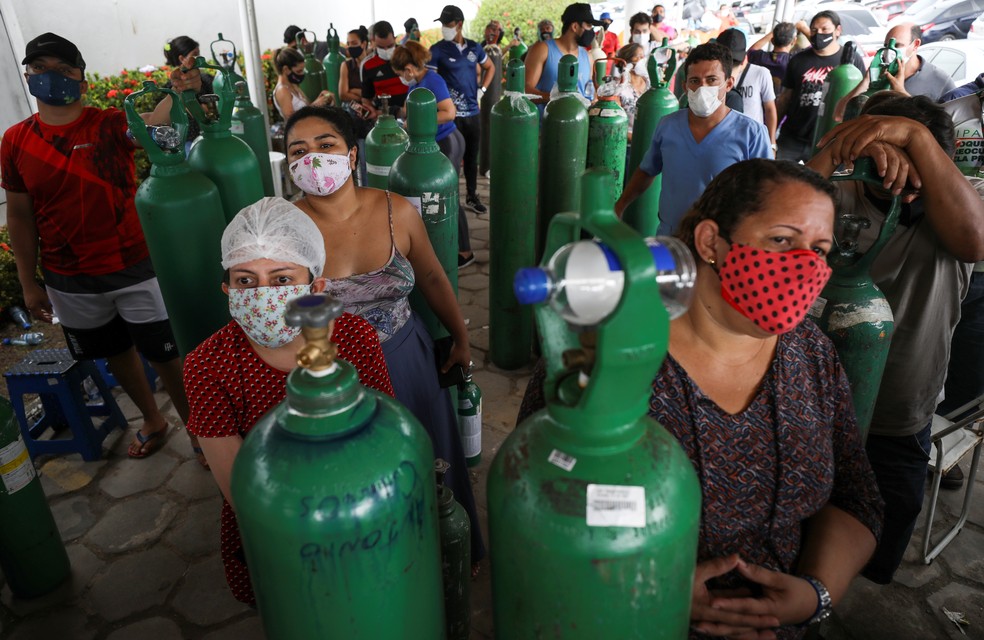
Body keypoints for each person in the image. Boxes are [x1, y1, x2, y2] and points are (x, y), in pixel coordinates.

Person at [519, 159, 884, 639]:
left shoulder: (810, 354)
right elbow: (536, 513)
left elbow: (856, 495)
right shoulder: (605, 361)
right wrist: (647, 589)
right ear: (711, 242)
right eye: (781, 240)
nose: (806, 267)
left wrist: (815, 595)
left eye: (818, 249)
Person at [282, 105, 486, 567]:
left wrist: (460, 337)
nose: (313, 159)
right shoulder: (285, 232)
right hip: (332, 377)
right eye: (299, 151)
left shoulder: (396, 211)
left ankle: (446, 557)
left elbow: (433, 277)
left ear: (351, 155)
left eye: (325, 145)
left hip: (405, 359)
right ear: (290, 166)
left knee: (427, 461)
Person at [185, 197, 395, 606]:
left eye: (282, 280)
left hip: (356, 507)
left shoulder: (354, 338)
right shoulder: (208, 364)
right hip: (270, 523)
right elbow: (238, 486)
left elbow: (380, 435)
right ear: (227, 289)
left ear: (315, 288)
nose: (262, 295)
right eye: (245, 281)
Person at [809, 94, 984, 584]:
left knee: (874, 546)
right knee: (803, 532)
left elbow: (975, 239)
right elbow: (767, 219)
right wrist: (841, 149)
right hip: (813, 399)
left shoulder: (954, 202)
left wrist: (916, 138)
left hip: (898, 413)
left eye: (923, 154)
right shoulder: (840, 192)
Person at [1, 33, 199, 464]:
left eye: (63, 69)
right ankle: (154, 420)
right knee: (115, 353)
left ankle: (200, 432)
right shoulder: (15, 141)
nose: (51, 77)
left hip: (134, 266)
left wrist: (176, 91)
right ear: (28, 76)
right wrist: (27, 283)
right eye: (40, 69)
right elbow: (19, 215)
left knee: (167, 354)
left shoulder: (109, 124)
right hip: (69, 278)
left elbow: (157, 125)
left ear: (81, 79)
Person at [615, 42, 771, 234]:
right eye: (695, 81)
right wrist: (620, 206)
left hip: (720, 243)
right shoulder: (668, 125)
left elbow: (765, 192)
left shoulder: (751, 133)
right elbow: (647, 171)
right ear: (685, 86)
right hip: (671, 237)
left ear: (728, 84)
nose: (702, 88)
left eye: (712, 80)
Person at [392, 41, 474, 268]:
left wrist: (418, 120)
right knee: (441, 197)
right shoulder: (418, 82)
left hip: (448, 142)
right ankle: (443, 243)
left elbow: (449, 112)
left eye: (400, 73)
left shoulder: (432, 81)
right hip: (438, 142)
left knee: (449, 197)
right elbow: (410, 109)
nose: (401, 77)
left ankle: (465, 251)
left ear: (409, 69)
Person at [431, 4, 495, 220]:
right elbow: (431, 80)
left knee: (471, 157)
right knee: (450, 158)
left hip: (473, 112)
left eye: (446, 24)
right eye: (441, 24)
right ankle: (450, 198)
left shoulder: (475, 48)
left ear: (458, 24)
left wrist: (482, 90)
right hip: (451, 116)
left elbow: (491, 68)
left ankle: (471, 195)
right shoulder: (437, 50)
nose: (443, 28)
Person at [775, 10, 865, 163]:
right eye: (814, 30)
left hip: (829, 140)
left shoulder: (852, 61)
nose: (819, 34)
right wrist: (770, 132)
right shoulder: (798, 59)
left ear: (838, 30)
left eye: (825, 29)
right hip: (793, 138)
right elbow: (785, 98)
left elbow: (861, 97)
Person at [834, 23, 956, 122]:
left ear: (915, 45)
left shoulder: (940, 81)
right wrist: (866, 82)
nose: (890, 52)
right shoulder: (879, 74)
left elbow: (943, 128)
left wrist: (901, 93)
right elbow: (839, 115)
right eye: (886, 46)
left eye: (897, 45)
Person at [525, 3, 601, 110]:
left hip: (578, 124)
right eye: (588, 25)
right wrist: (556, 97)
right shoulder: (543, 49)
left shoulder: (588, 57)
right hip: (546, 124)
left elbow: (590, 94)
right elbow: (525, 90)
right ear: (575, 27)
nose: (591, 31)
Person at [717, 28, 777, 148]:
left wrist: (771, 144)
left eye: (734, 62)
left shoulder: (761, 73)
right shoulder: (710, 77)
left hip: (752, 142)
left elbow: (770, 109)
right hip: (722, 141)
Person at [360, 21, 409, 120]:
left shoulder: (408, 55)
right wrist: (369, 112)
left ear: (395, 39)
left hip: (410, 113)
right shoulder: (367, 65)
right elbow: (366, 98)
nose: (386, 50)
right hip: (384, 116)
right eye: (381, 47)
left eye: (390, 46)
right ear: (373, 41)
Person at [272, 47, 333, 121]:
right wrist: (315, 105)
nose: (302, 74)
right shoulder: (282, 90)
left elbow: (306, 107)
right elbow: (291, 119)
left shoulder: (293, 85)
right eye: (299, 71)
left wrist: (321, 99)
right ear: (286, 69)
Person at [748, 22, 797, 95]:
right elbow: (817, 50)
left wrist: (773, 33)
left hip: (761, 103)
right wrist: (803, 28)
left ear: (772, 40)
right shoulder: (794, 61)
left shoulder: (760, 58)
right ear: (793, 41)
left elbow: (752, 50)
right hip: (783, 103)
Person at [615, 43, 651, 130]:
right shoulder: (618, 87)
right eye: (639, 56)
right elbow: (615, 122)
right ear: (626, 61)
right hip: (628, 137)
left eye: (643, 56)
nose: (643, 59)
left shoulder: (650, 83)